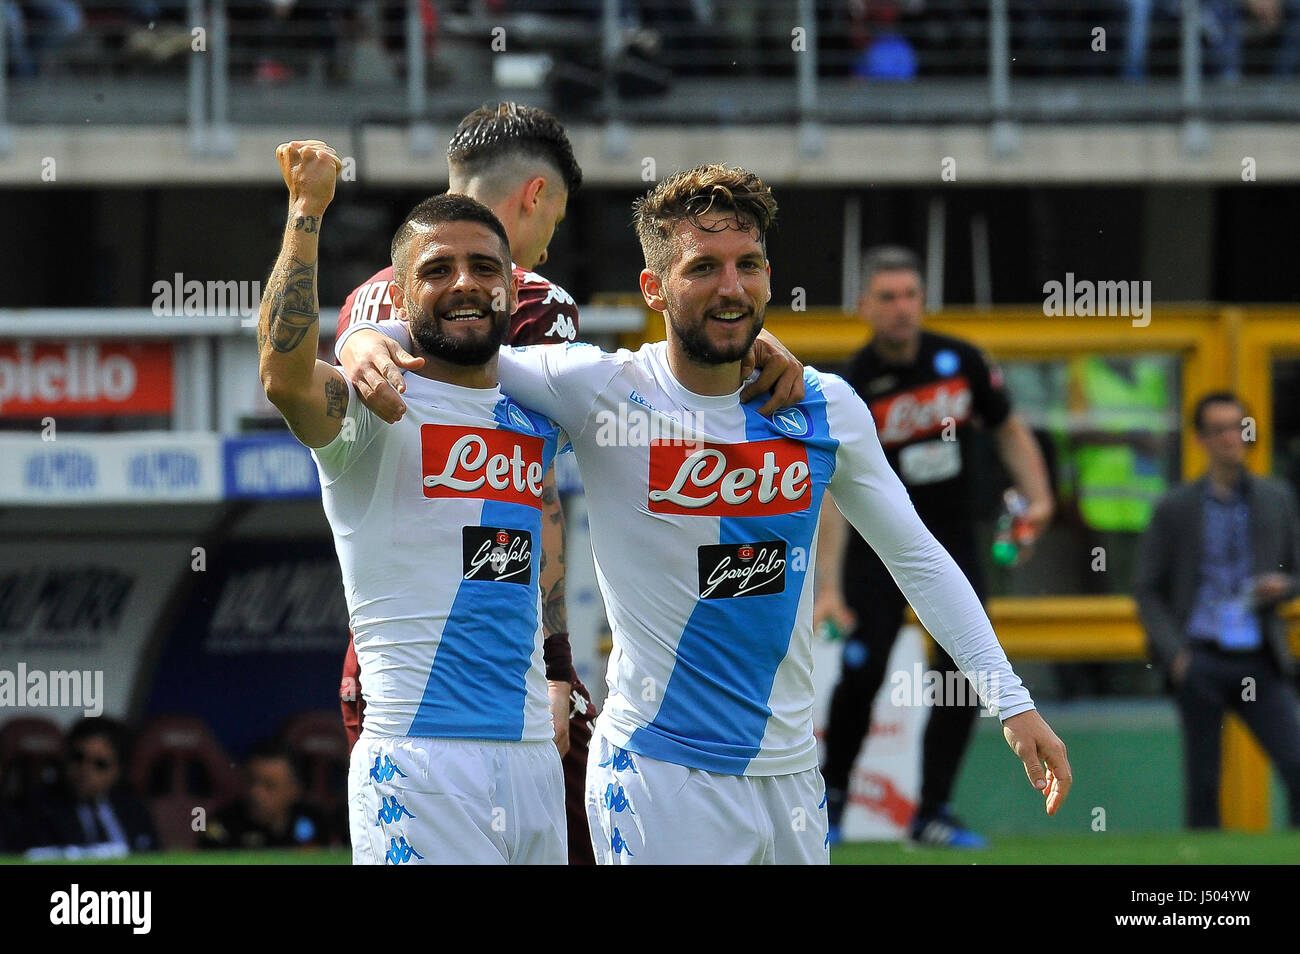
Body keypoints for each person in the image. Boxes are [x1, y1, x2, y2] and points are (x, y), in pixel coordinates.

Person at [337, 165, 1073, 865]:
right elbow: (457, 341)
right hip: (659, 777)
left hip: (791, 778)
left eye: (747, 265)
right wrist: (364, 337)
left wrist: (1009, 700)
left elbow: (917, 556)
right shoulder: (598, 390)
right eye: (703, 269)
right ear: (654, 288)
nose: (731, 287)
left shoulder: (823, 406)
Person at [259, 140, 570, 863]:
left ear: (512, 289)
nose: (465, 283)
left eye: (484, 268)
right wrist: (307, 213)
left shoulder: (544, 402)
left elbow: (680, 381)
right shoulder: (371, 405)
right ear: (399, 295)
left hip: (530, 758)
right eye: (437, 270)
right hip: (418, 762)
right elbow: (282, 375)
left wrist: (763, 351)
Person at [333, 102, 599, 865]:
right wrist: (553, 664)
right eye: (556, 219)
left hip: (387, 654)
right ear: (537, 197)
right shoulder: (541, 304)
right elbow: (531, 496)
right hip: (498, 659)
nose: (547, 243)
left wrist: (356, 338)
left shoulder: (371, 299)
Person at [813, 245, 1054, 848]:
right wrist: (830, 585)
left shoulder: (961, 360)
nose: (901, 309)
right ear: (864, 306)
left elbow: (1009, 430)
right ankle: (834, 799)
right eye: (887, 298)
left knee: (962, 672)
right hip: (877, 542)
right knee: (862, 670)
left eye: (910, 296)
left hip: (954, 538)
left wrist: (1038, 498)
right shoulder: (854, 383)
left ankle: (934, 810)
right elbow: (836, 491)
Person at [1135, 391, 1300, 828]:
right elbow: (1147, 589)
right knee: (1204, 783)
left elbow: (1296, 570)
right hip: (1200, 655)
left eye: (1239, 428)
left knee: (1296, 761)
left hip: (1259, 654)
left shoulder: (1275, 498)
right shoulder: (1177, 507)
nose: (1232, 439)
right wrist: (1177, 657)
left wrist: (1281, 586)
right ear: (1202, 440)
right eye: (1219, 430)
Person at [24, 717, 158, 857]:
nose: (85, 771)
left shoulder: (134, 809)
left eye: (100, 764)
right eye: (78, 758)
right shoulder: (39, 808)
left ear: (118, 771)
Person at [199, 740, 330, 850]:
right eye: (251, 781)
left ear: (295, 790)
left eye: (269, 786)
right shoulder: (223, 827)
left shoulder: (317, 823)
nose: (256, 793)